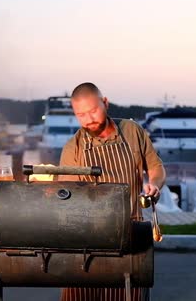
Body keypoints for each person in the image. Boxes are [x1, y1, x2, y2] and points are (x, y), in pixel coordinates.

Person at [58, 82, 165, 301]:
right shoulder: (73, 148)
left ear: (105, 103)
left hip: (131, 232)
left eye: (93, 111)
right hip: (87, 238)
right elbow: (66, 197)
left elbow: (156, 167)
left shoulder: (132, 131)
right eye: (81, 115)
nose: (89, 119)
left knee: (128, 294)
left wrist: (154, 184)